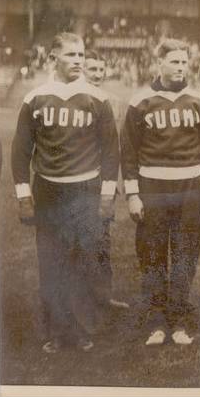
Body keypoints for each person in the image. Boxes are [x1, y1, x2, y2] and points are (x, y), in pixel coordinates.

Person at [10, 32, 119, 353]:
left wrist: (107, 195)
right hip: (48, 189)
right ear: (53, 58)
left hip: (85, 190)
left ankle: (82, 329)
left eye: (81, 55)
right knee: (51, 262)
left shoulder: (97, 99)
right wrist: (23, 195)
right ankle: (57, 331)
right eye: (70, 55)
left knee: (83, 262)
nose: (78, 61)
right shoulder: (36, 98)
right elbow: (20, 152)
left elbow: (111, 152)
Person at [121, 38, 200, 346]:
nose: (180, 67)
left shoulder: (199, 101)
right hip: (153, 187)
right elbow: (129, 153)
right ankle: (156, 320)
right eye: (174, 61)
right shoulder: (140, 102)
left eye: (184, 61)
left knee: (186, 255)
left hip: (190, 187)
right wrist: (133, 194)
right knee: (152, 255)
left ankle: (179, 319)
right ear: (159, 63)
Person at [83, 48, 130, 317]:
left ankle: (103, 295)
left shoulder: (113, 101)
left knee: (102, 238)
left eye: (101, 70)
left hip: (104, 180)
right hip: (79, 178)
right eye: (93, 70)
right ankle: (81, 297)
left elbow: (116, 146)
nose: (98, 75)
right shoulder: (73, 100)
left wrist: (115, 180)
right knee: (78, 238)